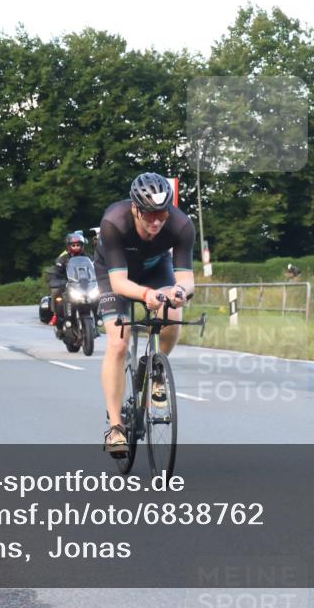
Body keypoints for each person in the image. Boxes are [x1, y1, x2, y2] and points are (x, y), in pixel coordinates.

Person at [95, 173, 195, 455]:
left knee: (172, 315)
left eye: (162, 214)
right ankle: (115, 427)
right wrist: (146, 295)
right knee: (118, 341)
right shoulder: (114, 222)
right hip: (115, 273)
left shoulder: (182, 225)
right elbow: (119, 284)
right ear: (135, 208)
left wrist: (179, 292)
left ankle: (156, 370)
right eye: (149, 215)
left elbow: (187, 279)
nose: (156, 222)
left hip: (154, 268)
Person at [47, 232, 89, 327]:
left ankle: (98, 314)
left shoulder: (87, 256)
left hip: (84, 283)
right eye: (73, 245)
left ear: (82, 246)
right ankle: (55, 315)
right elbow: (56, 271)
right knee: (55, 292)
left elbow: (93, 268)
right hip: (67, 282)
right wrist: (55, 279)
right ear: (68, 246)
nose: (76, 247)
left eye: (78, 245)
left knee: (97, 293)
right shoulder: (63, 257)